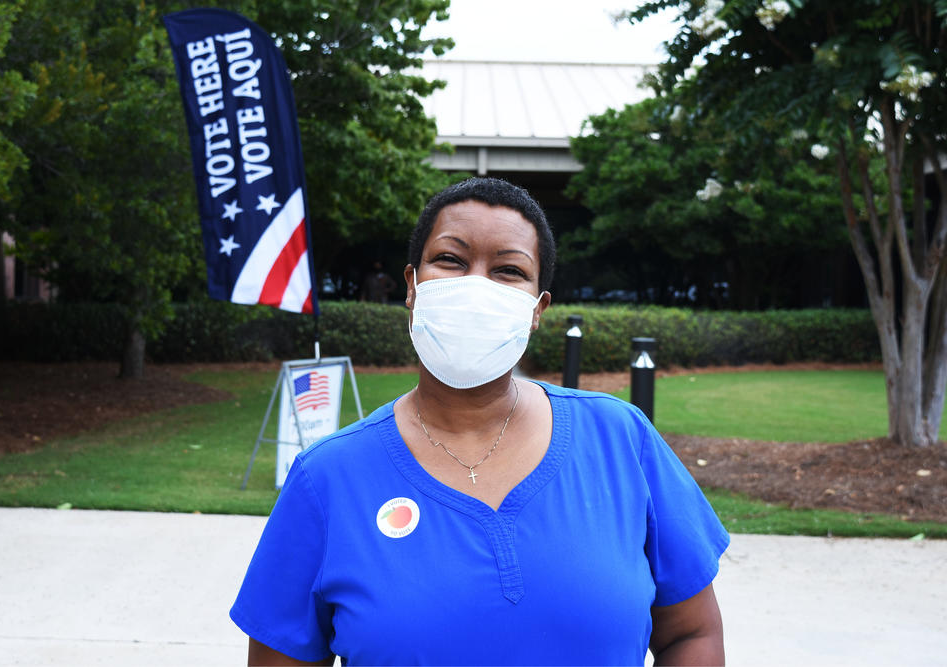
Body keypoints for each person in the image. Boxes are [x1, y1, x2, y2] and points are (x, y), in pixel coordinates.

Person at [230, 177, 729, 666]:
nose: (475, 285)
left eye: (509, 270)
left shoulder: (621, 439)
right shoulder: (327, 477)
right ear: (412, 286)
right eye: (451, 259)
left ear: (538, 309)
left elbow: (692, 632)